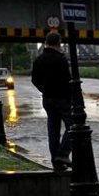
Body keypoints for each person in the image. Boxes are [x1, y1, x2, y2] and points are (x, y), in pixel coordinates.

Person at [31, 31, 72, 171]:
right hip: (62, 98)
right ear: (59, 43)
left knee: (53, 130)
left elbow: (34, 79)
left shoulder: (39, 60)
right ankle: (63, 154)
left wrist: (44, 90)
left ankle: (56, 162)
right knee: (73, 126)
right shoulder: (61, 60)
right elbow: (68, 81)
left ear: (46, 43)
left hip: (47, 99)